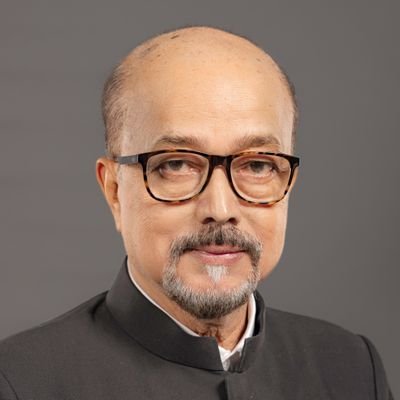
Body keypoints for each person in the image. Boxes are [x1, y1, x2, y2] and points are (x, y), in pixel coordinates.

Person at [0, 26, 393, 400]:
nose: (220, 209)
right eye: (176, 164)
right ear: (114, 191)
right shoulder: (20, 381)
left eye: (257, 165)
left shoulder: (351, 368)